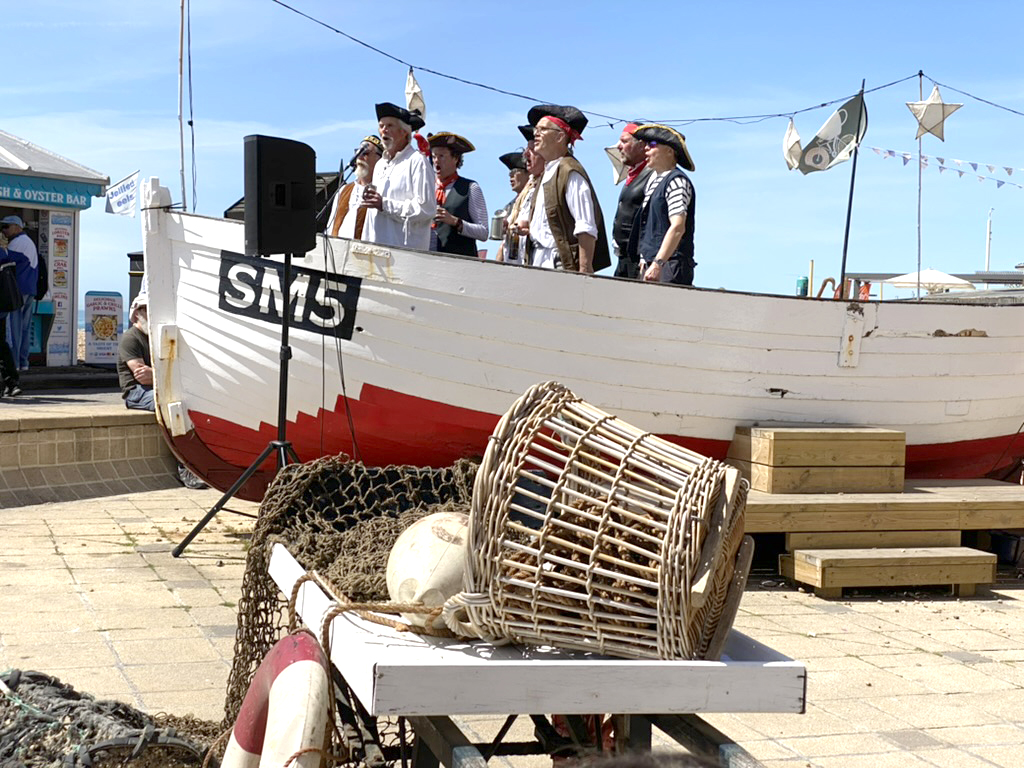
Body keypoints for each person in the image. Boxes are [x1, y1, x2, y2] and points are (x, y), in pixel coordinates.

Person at [525, 105, 610, 273]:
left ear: (560, 136)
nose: (536, 133)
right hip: (538, 261)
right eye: (536, 129)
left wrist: (584, 271)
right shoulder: (546, 173)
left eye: (543, 129)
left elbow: (586, 226)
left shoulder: (569, 171)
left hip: (559, 263)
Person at [627, 124, 696, 286]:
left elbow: (678, 227)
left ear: (670, 151)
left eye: (652, 145)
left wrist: (658, 263)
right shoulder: (654, 181)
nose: (646, 150)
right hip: (654, 266)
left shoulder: (677, 181)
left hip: (670, 267)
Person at [362, 102, 436, 250]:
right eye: (381, 126)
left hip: (404, 257)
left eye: (390, 126)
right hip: (374, 252)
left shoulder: (417, 162)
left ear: (404, 132)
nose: (384, 131)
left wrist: (384, 204)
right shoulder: (380, 164)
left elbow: (426, 209)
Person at [427, 132, 489, 257]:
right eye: (434, 156)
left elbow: (483, 232)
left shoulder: (471, 188)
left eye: (442, 156)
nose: (436, 161)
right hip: (428, 260)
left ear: (455, 158)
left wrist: (456, 222)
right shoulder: (426, 187)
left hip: (460, 264)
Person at [611, 123, 654, 279]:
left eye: (624, 141)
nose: (618, 146)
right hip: (624, 259)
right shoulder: (632, 175)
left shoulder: (652, 176)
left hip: (639, 262)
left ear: (641, 146)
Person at [326, 135, 384, 239]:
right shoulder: (343, 190)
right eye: (357, 152)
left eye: (365, 153)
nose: (359, 157)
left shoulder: (382, 191)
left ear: (379, 159)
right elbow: (330, 228)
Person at [0, 215, 38, 371]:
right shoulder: (28, 242)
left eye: (6, 227)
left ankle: (14, 364)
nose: (4, 231)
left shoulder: (17, 243)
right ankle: (23, 363)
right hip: (29, 290)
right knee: (24, 328)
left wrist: (3, 247)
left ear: (17, 227)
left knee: (14, 330)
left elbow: (4, 258)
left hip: (16, 292)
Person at [118, 293, 155, 411]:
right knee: (162, 402)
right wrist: (158, 375)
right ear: (137, 313)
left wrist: (154, 374)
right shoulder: (130, 338)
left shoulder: (156, 337)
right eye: (149, 310)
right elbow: (143, 377)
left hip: (156, 387)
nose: (153, 314)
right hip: (136, 391)